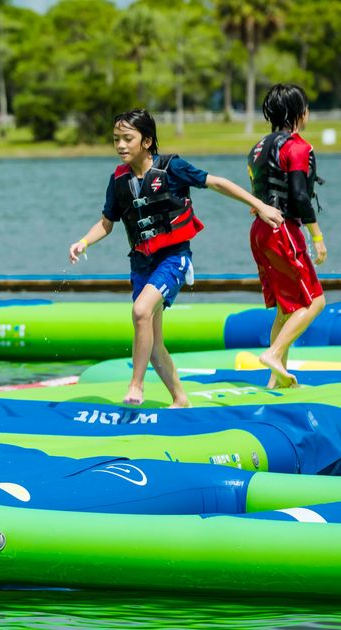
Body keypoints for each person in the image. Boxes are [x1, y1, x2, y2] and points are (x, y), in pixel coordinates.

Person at [68, 109, 284, 407]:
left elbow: (217, 182)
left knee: (141, 312)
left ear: (147, 141)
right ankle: (180, 399)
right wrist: (83, 242)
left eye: (127, 138)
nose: (120, 145)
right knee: (155, 344)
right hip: (141, 263)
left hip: (173, 259)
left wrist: (259, 205)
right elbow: (106, 222)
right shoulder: (118, 180)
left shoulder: (172, 168)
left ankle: (136, 386)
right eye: (116, 139)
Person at [248, 84, 327, 388]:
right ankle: (274, 353)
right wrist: (317, 236)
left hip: (259, 231)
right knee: (315, 302)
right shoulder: (297, 147)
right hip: (282, 229)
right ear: (299, 113)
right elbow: (299, 195)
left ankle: (276, 380)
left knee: (286, 307)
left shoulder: (258, 147)